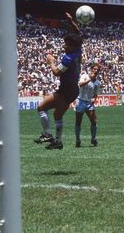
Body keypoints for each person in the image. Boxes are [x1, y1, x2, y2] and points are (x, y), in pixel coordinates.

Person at [34, 12, 83, 149]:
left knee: (41, 107)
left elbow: (56, 72)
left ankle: (47, 135)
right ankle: (58, 141)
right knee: (57, 114)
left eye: (66, 45)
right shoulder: (78, 50)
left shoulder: (67, 58)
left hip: (66, 90)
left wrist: (51, 62)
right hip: (73, 90)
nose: (64, 46)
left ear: (71, 46)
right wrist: (71, 21)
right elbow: (78, 33)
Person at [75, 63, 101, 147]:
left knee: (94, 121)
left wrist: (94, 98)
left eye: (97, 70)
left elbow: (96, 93)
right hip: (80, 101)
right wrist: (90, 79)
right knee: (78, 122)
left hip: (89, 103)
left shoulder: (97, 82)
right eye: (94, 69)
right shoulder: (85, 76)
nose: (96, 71)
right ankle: (78, 139)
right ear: (91, 69)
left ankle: (93, 139)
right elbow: (80, 84)